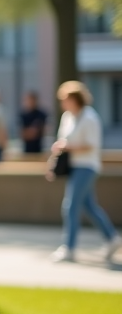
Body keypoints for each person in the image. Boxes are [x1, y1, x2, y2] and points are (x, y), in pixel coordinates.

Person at [49, 80, 121, 263]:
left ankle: (69, 248)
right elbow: (61, 143)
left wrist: (68, 147)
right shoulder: (67, 117)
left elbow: (92, 145)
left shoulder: (89, 117)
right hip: (73, 167)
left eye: (65, 99)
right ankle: (112, 238)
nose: (63, 104)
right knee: (89, 206)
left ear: (75, 99)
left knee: (71, 206)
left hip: (87, 166)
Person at [19, 91, 48, 155]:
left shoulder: (41, 114)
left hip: (39, 148)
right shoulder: (23, 115)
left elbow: (44, 131)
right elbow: (22, 133)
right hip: (26, 149)